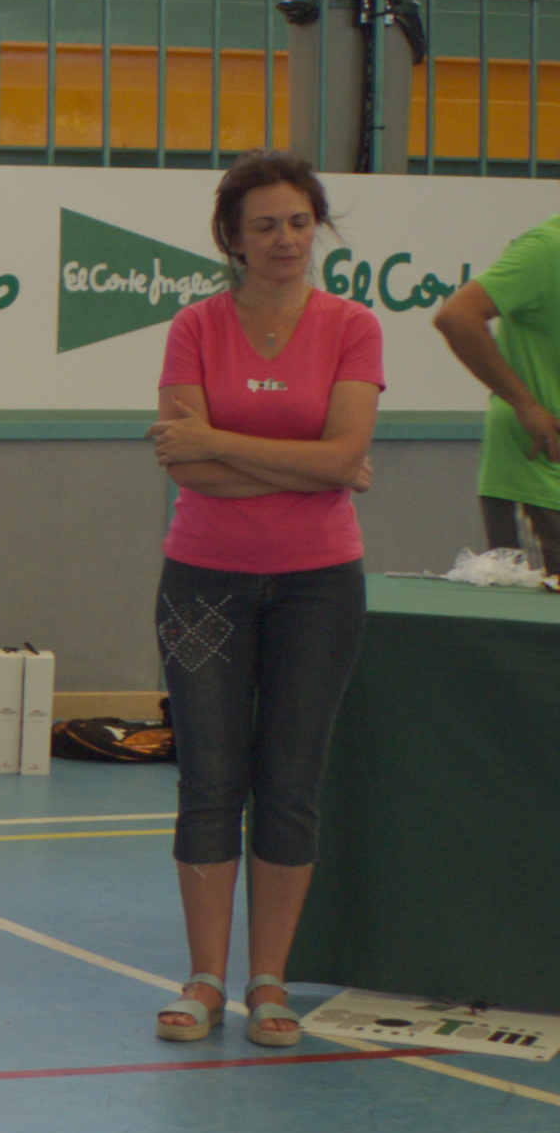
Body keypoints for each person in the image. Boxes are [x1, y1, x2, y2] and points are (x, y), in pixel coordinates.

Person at [143, 151, 384, 1049]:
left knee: (290, 780)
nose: (286, 240)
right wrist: (313, 468)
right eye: (265, 226)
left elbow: (342, 454)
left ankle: (268, 980)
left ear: (317, 227)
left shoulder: (353, 327)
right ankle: (205, 979)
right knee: (209, 779)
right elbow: (186, 466)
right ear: (232, 240)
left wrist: (223, 443)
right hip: (202, 582)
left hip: (321, 587)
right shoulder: (195, 327)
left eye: (299, 222)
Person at [435, 210, 560, 572]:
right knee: (534, 605)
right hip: (538, 473)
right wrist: (526, 405)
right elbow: (457, 316)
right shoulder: (546, 249)